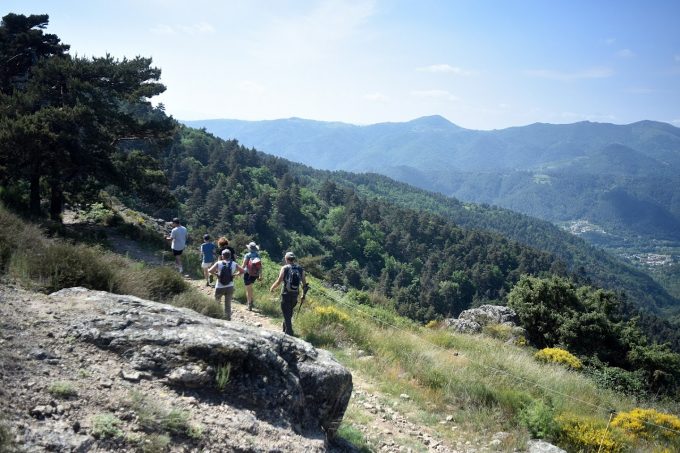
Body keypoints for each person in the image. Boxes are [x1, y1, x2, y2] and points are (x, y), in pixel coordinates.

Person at [270, 251, 307, 336]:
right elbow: (305, 284)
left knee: (286, 313)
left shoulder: (285, 268)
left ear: (286, 259)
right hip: (295, 294)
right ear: (293, 259)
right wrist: (303, 295)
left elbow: (279, 281)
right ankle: (285, 328)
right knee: (289, 312)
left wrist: (272, 288)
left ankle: (289, 332)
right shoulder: (300, 269)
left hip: (285, 293)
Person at [209, 249, 244, 321]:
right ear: (230, 256)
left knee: (217, 302)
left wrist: (217, 275)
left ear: (222, 256)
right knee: (228, 304)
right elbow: (242, 271)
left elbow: (210, 270)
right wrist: (234, 275)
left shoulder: (218, 263)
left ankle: (217, 317)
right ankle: (228, 319)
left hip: (219, 286)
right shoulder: (234, 263)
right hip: (230, 286)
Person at [241, 241, 261, 311]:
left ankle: (249, 304)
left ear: (249, 248)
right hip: (255, 275)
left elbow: (243, 265)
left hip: (247, 274)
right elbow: (260, 266)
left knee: (248, 289)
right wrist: (260, 275)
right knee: (250, 287)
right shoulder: (258, 255)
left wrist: (239, 272)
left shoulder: (247, 255)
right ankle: (251, 301)